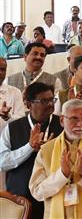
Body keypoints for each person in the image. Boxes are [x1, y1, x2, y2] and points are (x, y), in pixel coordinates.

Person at [0, 82, 63, 219]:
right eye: (44, 101)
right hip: (20, 200)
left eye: (52, 99)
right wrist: (29, 148)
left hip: (55, 195)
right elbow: (2, 162)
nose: (50, 104)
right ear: (28, 105)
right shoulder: (12, 128)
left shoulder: (63, 125)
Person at [0, 57, 24, 123]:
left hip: (8, 132)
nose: (0, 72)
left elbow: (21, 120)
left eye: (3, 69)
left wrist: (8, 117)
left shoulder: (15, 92)